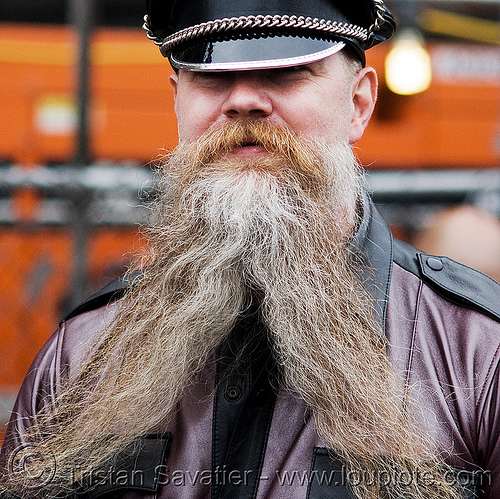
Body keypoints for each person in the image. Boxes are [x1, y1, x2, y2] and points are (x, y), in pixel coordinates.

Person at [1, 1, 499, 498]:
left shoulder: (477, 354)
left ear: (359, 104)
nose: (242, 100)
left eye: (284, 73)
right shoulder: (78, 358)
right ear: (178, 102)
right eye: (211, 77)